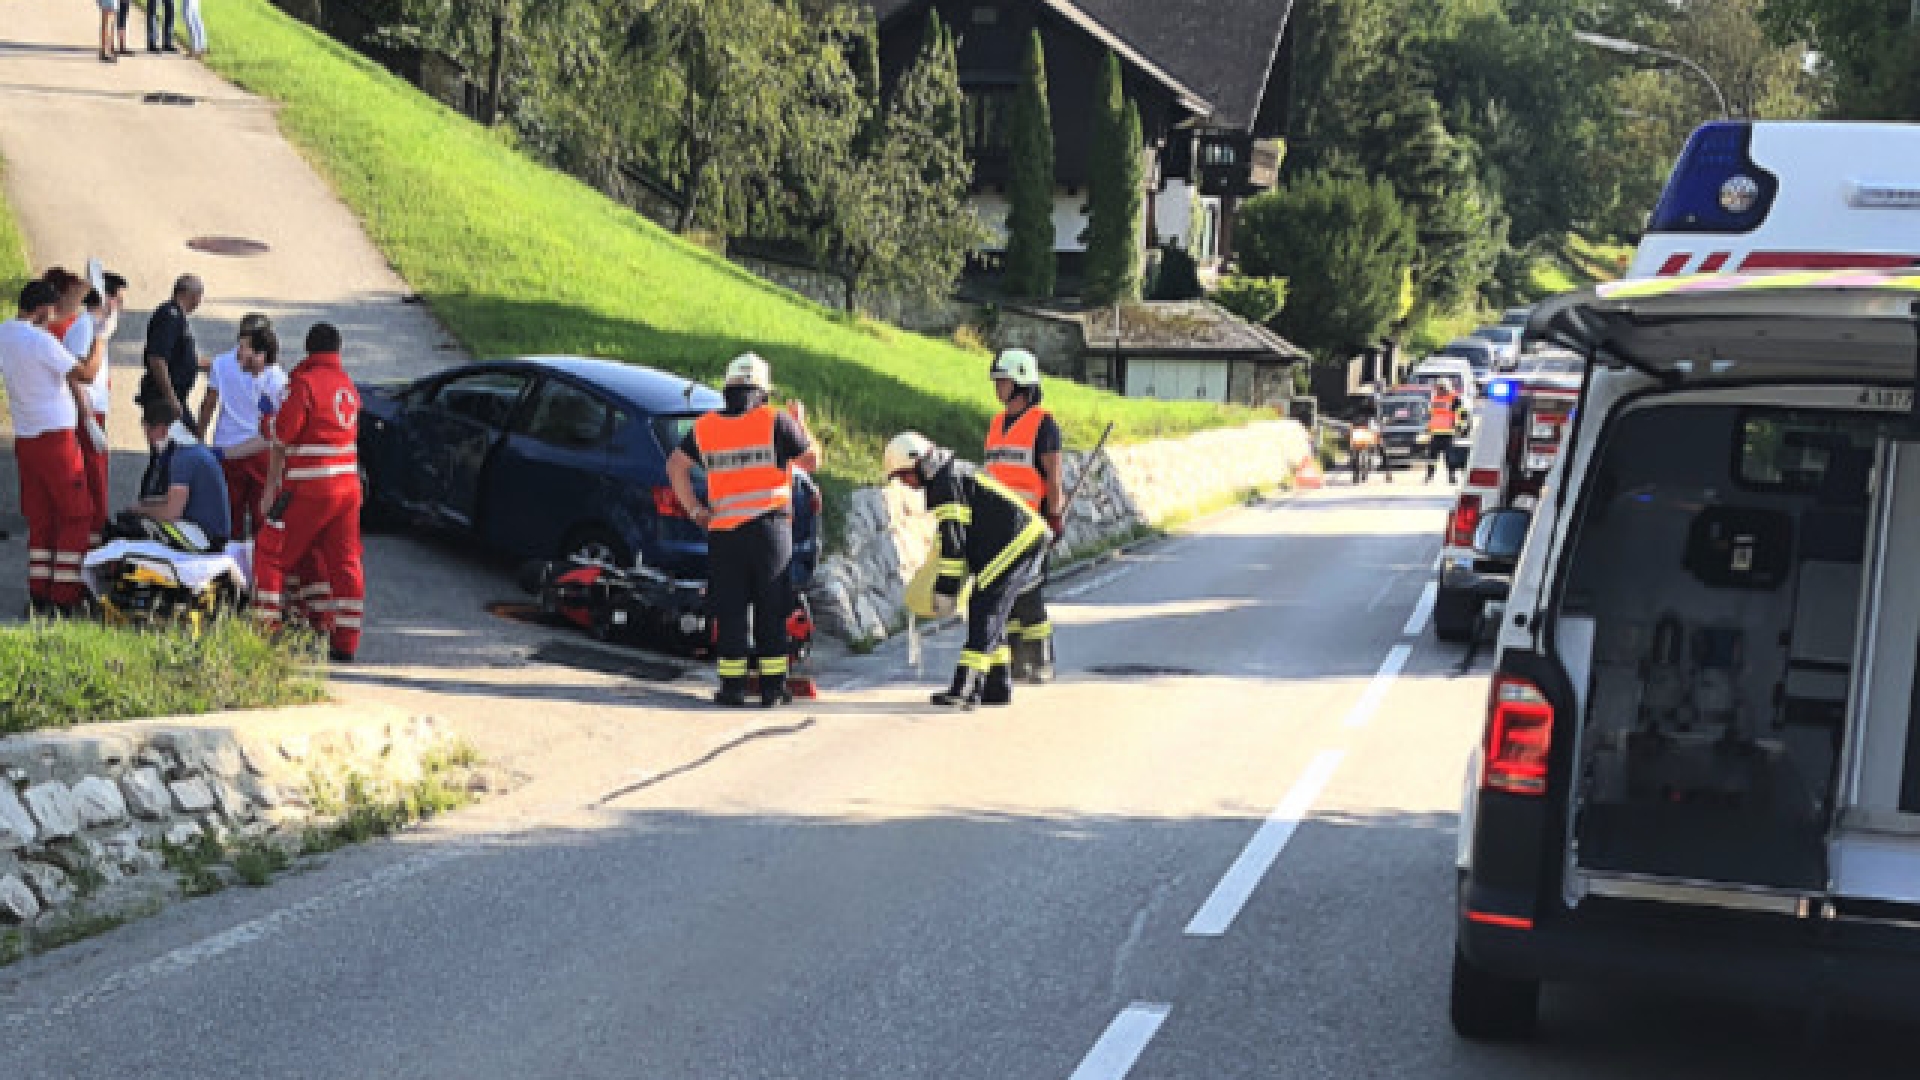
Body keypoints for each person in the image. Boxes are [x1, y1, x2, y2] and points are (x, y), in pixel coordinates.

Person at [667, 353, 819, 709]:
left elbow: (675, 466)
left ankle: (732, 688)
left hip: (724, 533)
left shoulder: (705, 427)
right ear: (763, 391)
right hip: (770, 532)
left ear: (728, 388)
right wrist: (802, 424)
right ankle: (772, 689)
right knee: (771, 610)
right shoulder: (776, 421)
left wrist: (695, 510)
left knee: (731, 610)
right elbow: (812, 462)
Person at [884, 431, 1050, 710]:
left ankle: (966, 689)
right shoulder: (948, 475)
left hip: (1015, 542)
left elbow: (954, 545)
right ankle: (997, 686)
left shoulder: (945, 484)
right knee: (985, 608)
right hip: (1016, 539)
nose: (906, 483)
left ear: (918, 464)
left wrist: (945, 592)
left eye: (904, 476)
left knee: (986, 610)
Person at [252, 323, 365, 663]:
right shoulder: (347, 385)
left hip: (309, 485)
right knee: (341, 560)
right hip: (348, 489)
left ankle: (265, 629)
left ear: (308, 349)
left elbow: (284, 435)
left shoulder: (304, 384)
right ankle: (343, 639)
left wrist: (267, 422)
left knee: (271, 551)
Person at [0, 281, 109, 614]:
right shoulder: (41, 341)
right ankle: (64, 595)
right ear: (43, 310)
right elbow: (87, 374)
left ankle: (39, 591)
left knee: (41, 517)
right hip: (56, 441)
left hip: (27, 438)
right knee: (77, 514)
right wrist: (102, 338)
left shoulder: (4, 333)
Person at [982, 349, 1063, 684]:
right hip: (999, 524)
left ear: (1022, 383)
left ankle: (1041, 659)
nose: (998, 387)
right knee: (1007, 595)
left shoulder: (1043, 423)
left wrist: (1055, 516)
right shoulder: (997, 423)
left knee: (1029, 592)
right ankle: (1017, 661)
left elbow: (1053, 476)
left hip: (1031, 523)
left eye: (1004, 381)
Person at [48, 268, 126, 545]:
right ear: (107, 299)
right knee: (93, 479)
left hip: (92, 411)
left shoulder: (92, 326)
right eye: (118, 300)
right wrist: (89, 418)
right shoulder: (84, 326)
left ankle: (94, 536)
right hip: (85, 412)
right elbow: (75, 373)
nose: (121, 306)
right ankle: (91, 540)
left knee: (98, 477)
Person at [198, 315, 285, 540]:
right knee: (261, 517)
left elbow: (209, 403)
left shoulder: (221, 363)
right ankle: (256, 564)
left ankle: (231, 563)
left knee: (229, 516)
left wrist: (200, 436)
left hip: (228, 444)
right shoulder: (274, 374)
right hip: (261, 453)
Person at [128, 399, 231, 548]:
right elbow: (178, 498)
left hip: (207, 538)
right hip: (213, 532)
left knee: (144, 525)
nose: (149, 440)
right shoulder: (193, 450)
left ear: (162, 430)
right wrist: (148, 503)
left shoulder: (182, 458)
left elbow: (172, 512)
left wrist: (141, 510)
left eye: (149, 433)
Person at [140, 274, 206, 449]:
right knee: (179, 449)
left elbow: (177, 357)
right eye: (200, 296)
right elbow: (157, 359)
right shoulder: (170, 316)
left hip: (171, 398)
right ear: (193, 296)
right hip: (164, 399)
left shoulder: (176, 316)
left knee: (177, 449)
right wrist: (172, 399)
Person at [1427, 382, 1460, 485]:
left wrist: (1459, 426)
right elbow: (1430, 415)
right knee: (1432, 457)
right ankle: (1429, 476)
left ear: (1446, 388)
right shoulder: (1434, 399)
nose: (1439, 390)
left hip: (1448, 433)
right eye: (1438, 388)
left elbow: (1460, 411)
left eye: (1441, 388)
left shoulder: (1453, 399)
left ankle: (1451, 477)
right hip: (1435, 433)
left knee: (1449, 457)